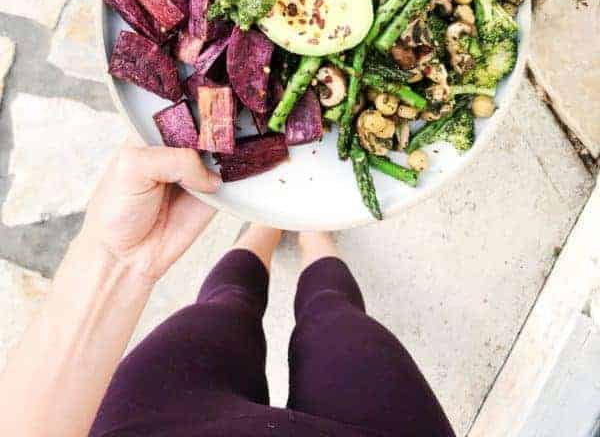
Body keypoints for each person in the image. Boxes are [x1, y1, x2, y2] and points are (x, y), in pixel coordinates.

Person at [0, 145, 455, 437]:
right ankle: (314, 232)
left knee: (226, 306)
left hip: (159, 426)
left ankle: (273, 223)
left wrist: (120, 261)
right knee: (334, 315)